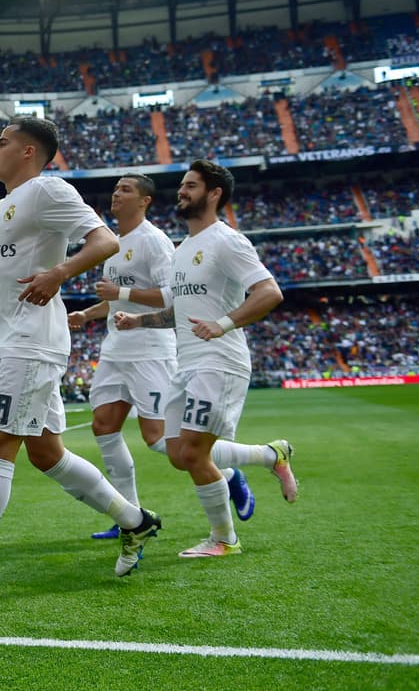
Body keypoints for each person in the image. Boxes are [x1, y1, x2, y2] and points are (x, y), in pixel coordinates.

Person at [0, 117, 163, 598]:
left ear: (28, 152)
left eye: (2, 143)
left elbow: (104, 240)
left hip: (33, 341)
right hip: (21, 341)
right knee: (47, 454)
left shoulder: (48, 191)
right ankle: (136, 520)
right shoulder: (2, 208)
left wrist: (59, 273)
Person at [114, 160, 297, 559]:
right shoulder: (183, 251)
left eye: (191, 186)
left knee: (194, 453)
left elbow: (269, 292)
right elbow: (178, 313)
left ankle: (224, 539)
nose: (182, 191)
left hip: (219, 361)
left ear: (214, 194)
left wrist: (224, 324)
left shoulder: (227, 241)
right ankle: (270, 455)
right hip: (188, 364)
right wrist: (139, 321)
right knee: (177, 452)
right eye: (182, 185)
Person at [67, 174, 187, 540]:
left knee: (156, 437)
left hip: (150, 349)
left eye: (126, 190)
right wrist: (87, 314)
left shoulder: (154, 241)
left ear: (145, 200)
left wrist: (121, 290)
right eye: (116, 189)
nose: (116, 194)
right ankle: (131, 519)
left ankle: (228, 473)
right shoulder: (115, 243)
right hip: (116, 349)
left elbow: (172, 296)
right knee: (103, 426)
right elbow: (117, 299)